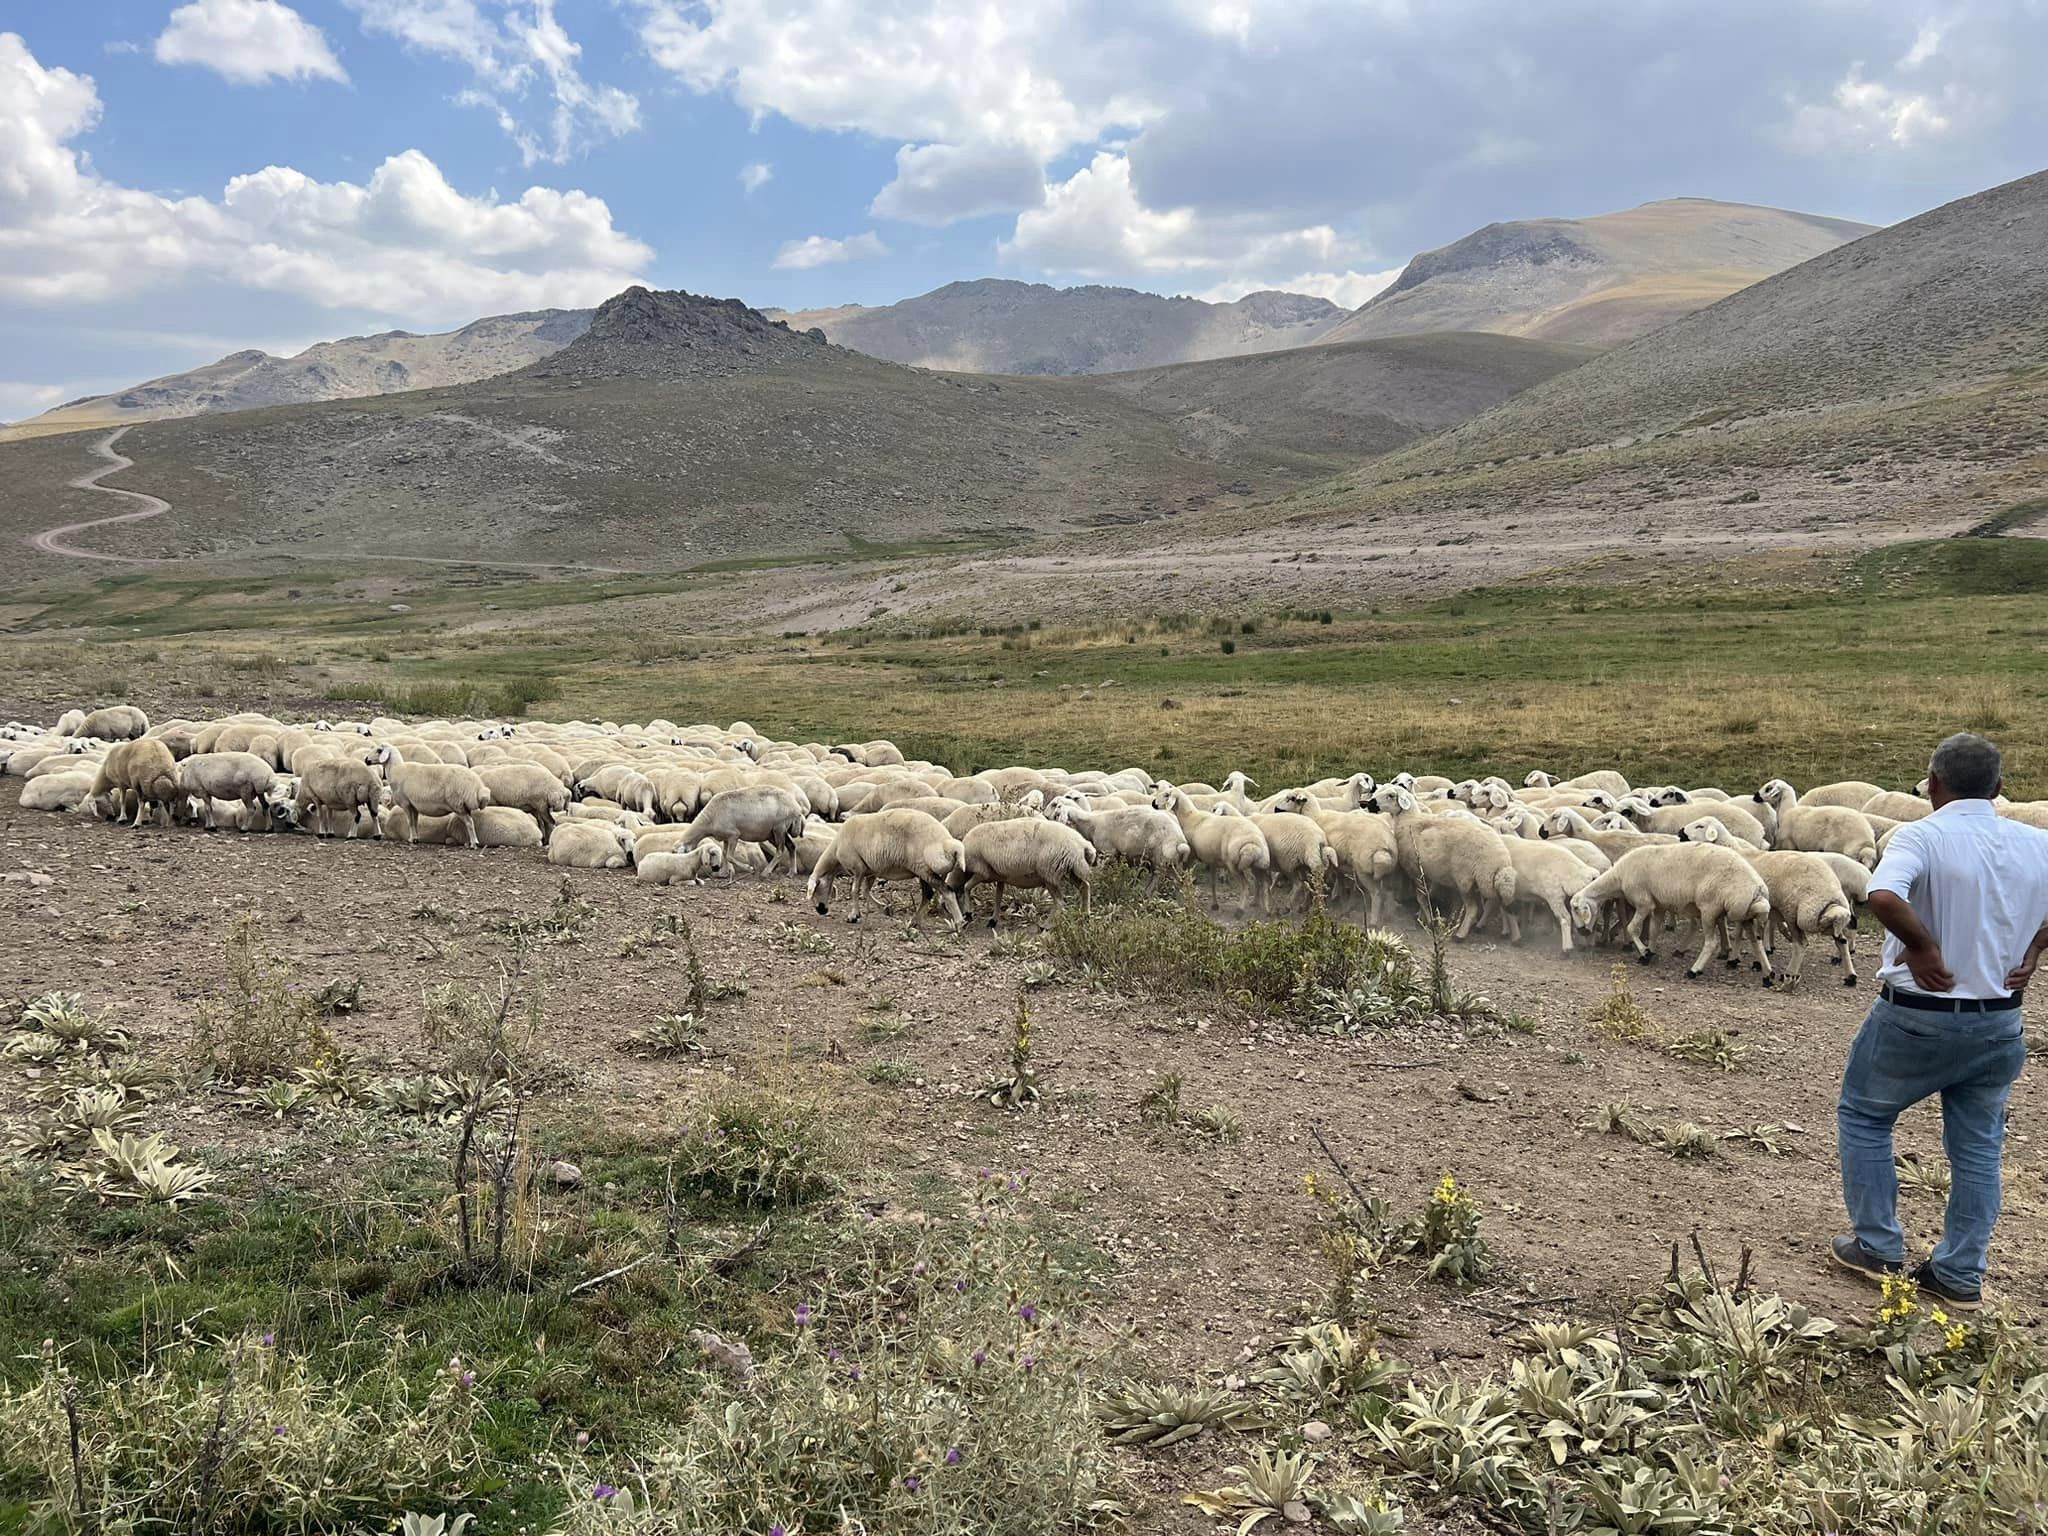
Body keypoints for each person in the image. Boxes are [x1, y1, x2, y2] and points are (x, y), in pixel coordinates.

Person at [1832, 732, 2048, 1308]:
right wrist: (2035, 950)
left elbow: (1881, 895)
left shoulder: (1920, 835)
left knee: (1864, 1115)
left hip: (1918, 1020)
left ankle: (1876, 1246)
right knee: (1978, 1150)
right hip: (2000, 1022)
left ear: (1932, 785)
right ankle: (1959, 1274)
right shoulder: (2036, 841)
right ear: (2000, 789)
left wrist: (1923, 948)